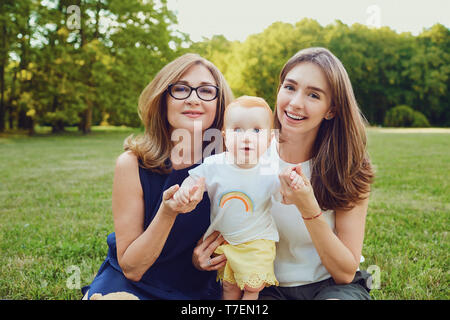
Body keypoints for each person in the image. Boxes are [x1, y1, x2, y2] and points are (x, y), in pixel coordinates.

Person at [193, 47, 375, 300]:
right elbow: (220, 221)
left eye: (313, 95)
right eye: (289, 87)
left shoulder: (349, 168)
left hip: (330, 287)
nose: (295, 103)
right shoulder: (245, 154)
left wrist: (308, 208)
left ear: (331, 109)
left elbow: (344, 273)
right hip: (265, 288)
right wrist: (200, 257)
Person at [81, 53, 233, 300]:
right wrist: (168, 211)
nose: (193, 99)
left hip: (195, 287)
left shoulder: (230, 165)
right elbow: (132, 268)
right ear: (163, 100)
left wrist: (206, 258)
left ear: (219, 104)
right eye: (181, 89)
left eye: (206, 91)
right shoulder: (132, 165)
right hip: (133, 283)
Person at [174, 96, 300, 300]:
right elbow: (194, 179)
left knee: (253, 288)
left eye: (257, 131)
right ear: (224, 136)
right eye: (238, 130)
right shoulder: (215, 164)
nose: (247, 137)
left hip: (258, 242)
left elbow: (286, 196)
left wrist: (292, 183)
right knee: (229, 288)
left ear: (269, 139)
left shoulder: (270, 169)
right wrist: (186, 190)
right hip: (226, 241)